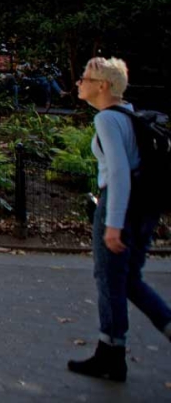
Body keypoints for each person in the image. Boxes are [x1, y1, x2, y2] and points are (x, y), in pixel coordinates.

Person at [67, 57, 171, 382]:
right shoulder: (129, 113)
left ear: (102, 86)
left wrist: (112, 223)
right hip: (143, 209)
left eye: (84, 78)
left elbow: (119, 174)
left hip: (118, 205)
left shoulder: (108, 120)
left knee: (109, 280)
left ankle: (110, 355)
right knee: (130, 281)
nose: (78, 83)